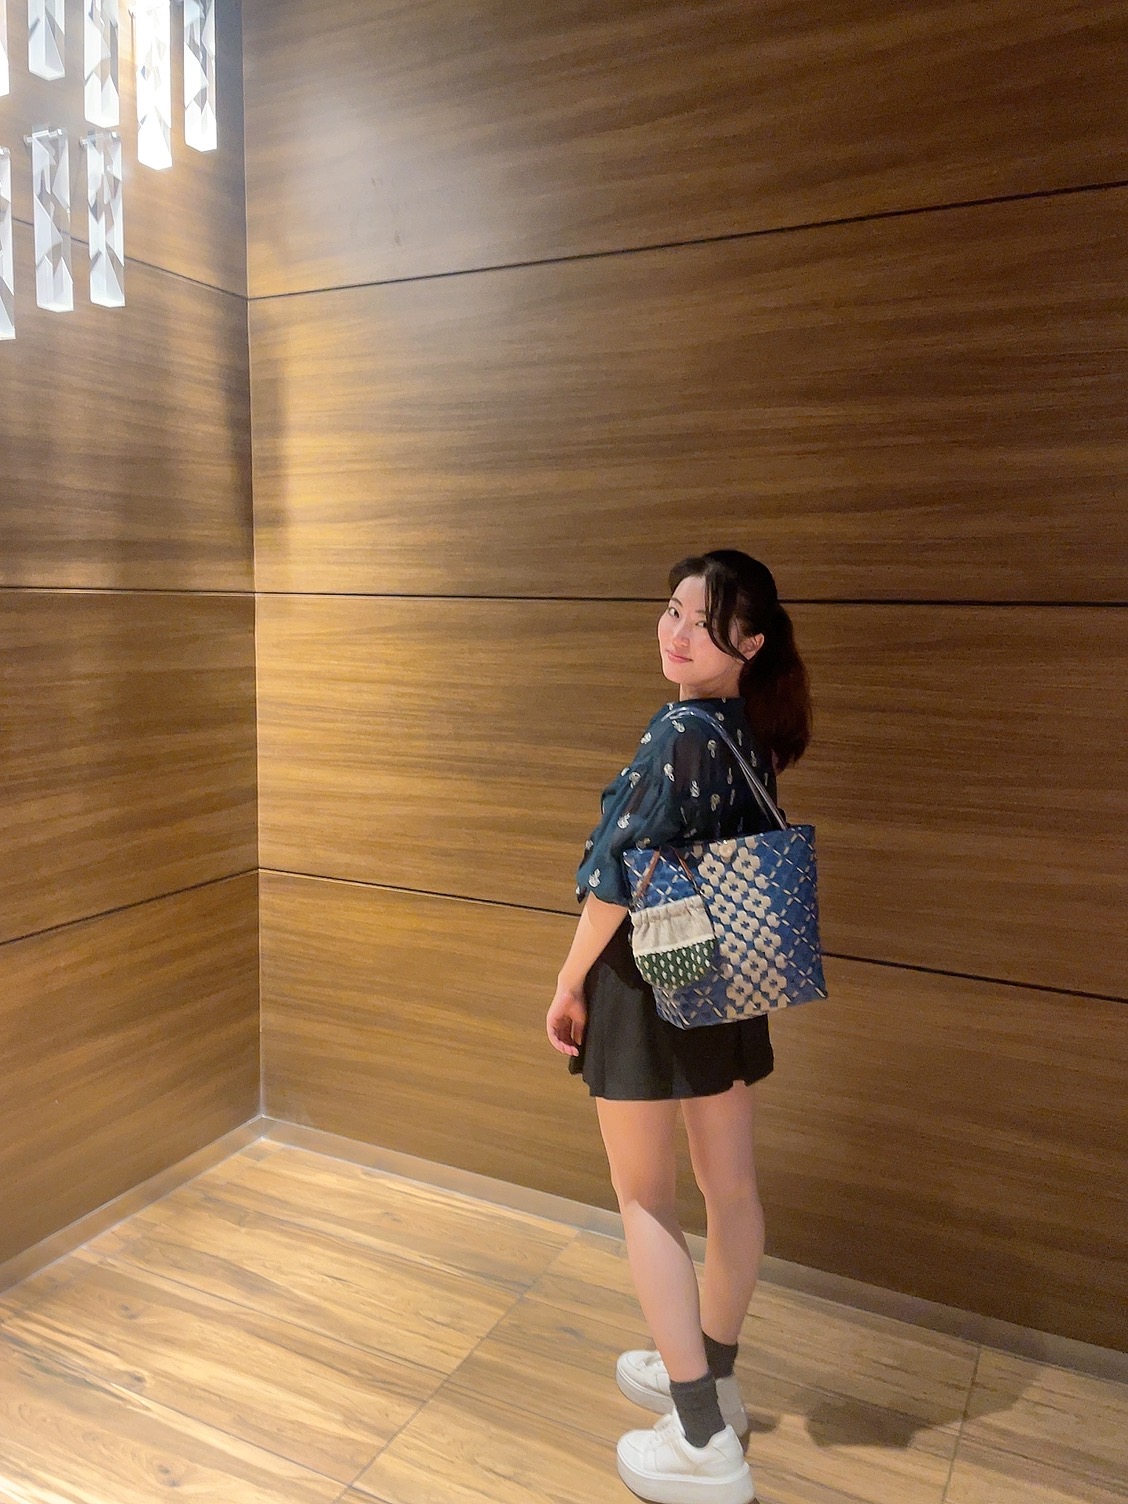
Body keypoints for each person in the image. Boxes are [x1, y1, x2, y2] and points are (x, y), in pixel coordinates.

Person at [546, 549, 812, 1504]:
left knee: (645, 1198)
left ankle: (701, 1439)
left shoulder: (676, 733)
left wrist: (568, 981)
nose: (677, 632)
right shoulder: (751, 733)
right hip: (725, 981)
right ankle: (714, 1379)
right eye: (672, 610)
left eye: (703, 622)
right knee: (731, 1190)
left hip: (648, 979)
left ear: (750, 641)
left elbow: (615, 884)